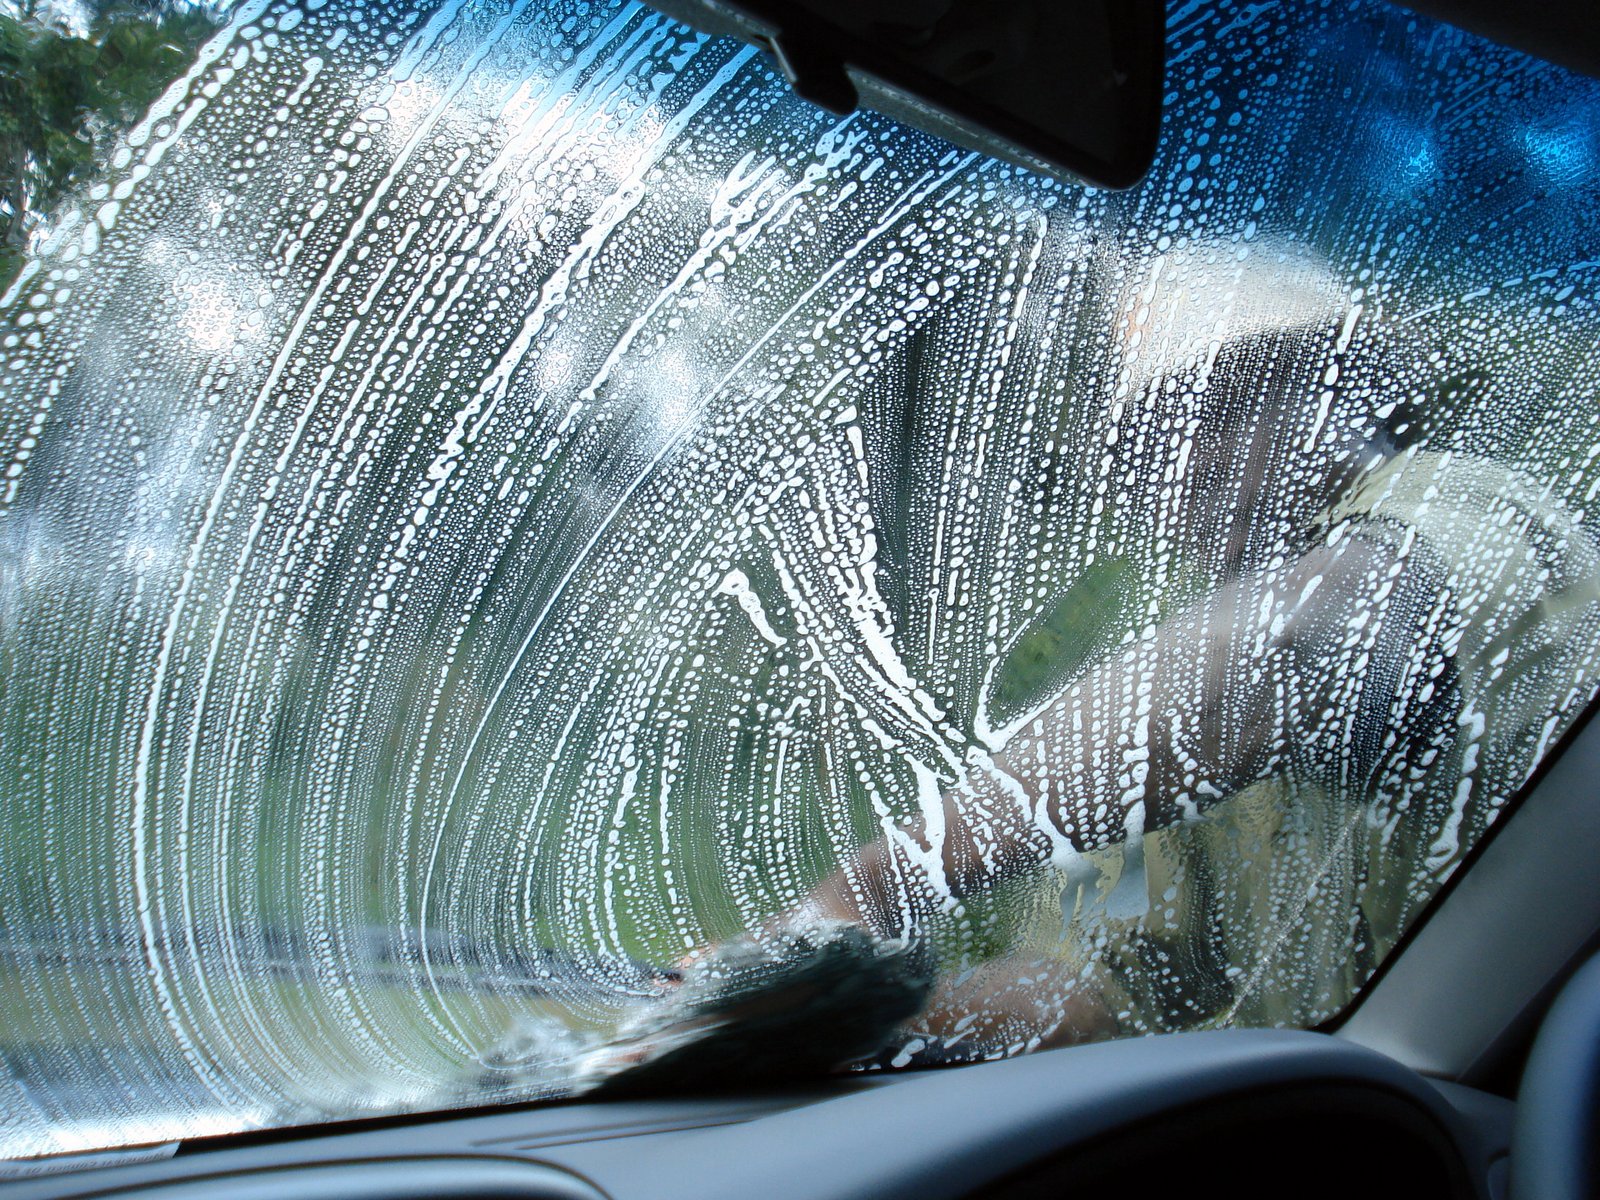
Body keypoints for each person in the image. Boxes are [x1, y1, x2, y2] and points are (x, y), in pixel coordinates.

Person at [571, 244, 1600, 1088]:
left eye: (1240, 399)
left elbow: (1278, 662)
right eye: (1154, 436)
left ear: (1359, 392)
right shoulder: (1148, 721)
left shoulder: (1468, 512)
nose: (1189, 460)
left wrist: (858, 900)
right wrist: (848, 1017)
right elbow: (1087, 988)